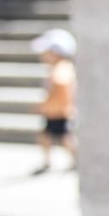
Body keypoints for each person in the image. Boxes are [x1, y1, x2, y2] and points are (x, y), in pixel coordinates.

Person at [30, 28, 77, 175]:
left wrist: (45, 104)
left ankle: (76, 159)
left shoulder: (61, 70)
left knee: (65, 138)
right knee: (46, 137)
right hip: (55, 111)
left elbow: (60, 88)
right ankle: (48, 161)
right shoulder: (59, 68)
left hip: (58, 112)